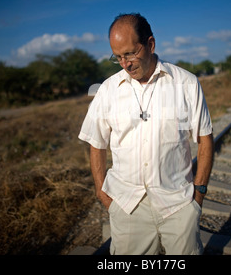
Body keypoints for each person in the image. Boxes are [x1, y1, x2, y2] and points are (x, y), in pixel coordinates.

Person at [78, 13, 214, 255]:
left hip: (178, 203)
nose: (125, 64)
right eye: (118, 57)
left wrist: (199, 192)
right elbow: (96, 143)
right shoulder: (107, 90)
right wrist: (102, 193)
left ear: (150, 44)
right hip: (127, 205)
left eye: (130, 53)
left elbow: (205, 139)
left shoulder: (186, 84)